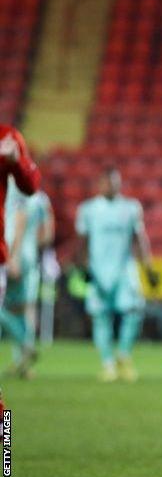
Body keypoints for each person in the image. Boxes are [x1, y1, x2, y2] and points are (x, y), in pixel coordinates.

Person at [76, 167, 158, 383]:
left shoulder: (131, 208)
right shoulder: (88, 209)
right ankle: (107, 364)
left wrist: (148, 268)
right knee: (100, 316)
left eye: (115, 182)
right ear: (100, 184)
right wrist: (84, 268)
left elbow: (139, 238)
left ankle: (123, 355)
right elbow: (82, 242)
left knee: (134, 310)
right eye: (107, 182)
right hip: (99, 270)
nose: (112, 186)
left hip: (124, 269)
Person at [0, 125, 40, 411]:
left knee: (22, 306)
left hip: (6, 253)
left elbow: (31, 185)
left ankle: (3, 433)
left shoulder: (7, 137)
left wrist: (17, 161)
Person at [1, 181, 53, 378]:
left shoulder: (13, 187)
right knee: (22, 309)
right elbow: (47, 235)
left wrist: (14, 256)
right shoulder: (41, 198)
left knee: (10, 309)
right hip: (27, 257)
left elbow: (20, 219)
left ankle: (24, 347)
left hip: (12, 255)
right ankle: (23, 362)